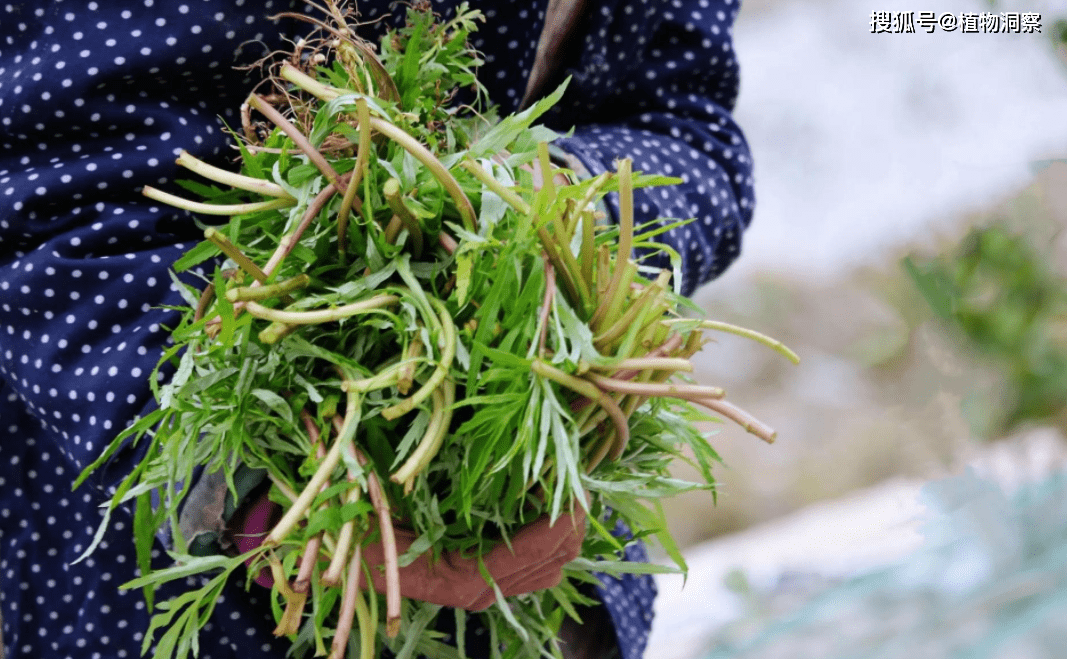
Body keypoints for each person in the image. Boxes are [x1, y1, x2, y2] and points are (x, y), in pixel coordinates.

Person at [0, 1, 754, 658]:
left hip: (547, 578)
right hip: (163, 574)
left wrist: (556, 211)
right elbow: (59, 226)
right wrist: (278, 512)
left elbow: (688, 126)